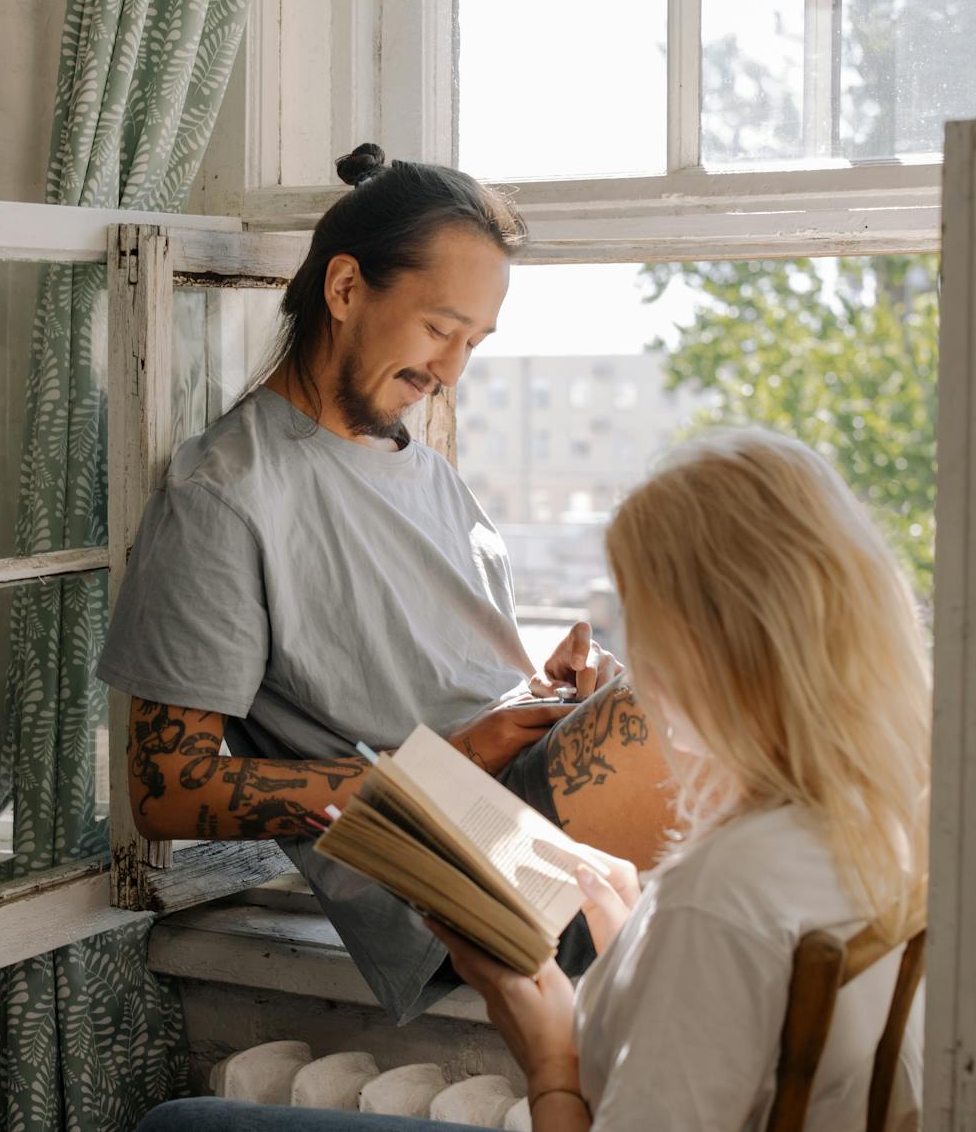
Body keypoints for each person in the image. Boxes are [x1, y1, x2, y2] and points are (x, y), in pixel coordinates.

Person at [136, 428, 932, 1130]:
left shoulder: (720, 897)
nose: (637, 665)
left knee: (184, 1121)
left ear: (709, 648)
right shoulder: (880, 826)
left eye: (643, 622)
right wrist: (632, 935)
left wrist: (549, 1054)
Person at [98, 143, 674, 1025]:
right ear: (343, 290)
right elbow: (165, 789)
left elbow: (444, 690)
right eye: (440, 329)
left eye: (473, 343)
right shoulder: (223, 496)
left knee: (746, 679)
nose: (452, 370)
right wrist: (458, 759)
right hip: (447, 871)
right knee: (710, 699)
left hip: (525, 807)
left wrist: (548, 695)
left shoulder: (430, 472)